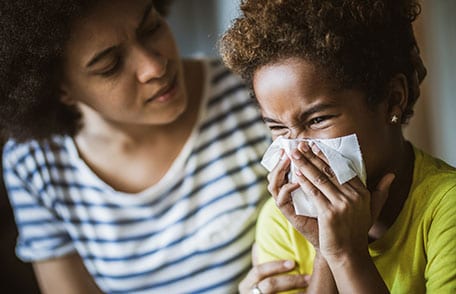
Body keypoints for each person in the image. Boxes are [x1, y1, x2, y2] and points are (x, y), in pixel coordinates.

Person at [0, 0, 304, 292]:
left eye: (150, 28)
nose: (155, 67)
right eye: (110, 65)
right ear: (60, 89)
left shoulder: (255, 95)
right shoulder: (34, 163)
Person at [220, 0, 456, 293]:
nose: (296, 150)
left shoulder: (446, 209)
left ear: (393, 100)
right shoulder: (281, 222)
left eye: (317, 119)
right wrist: (325, 251)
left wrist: (347, 255)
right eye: (278, 128)